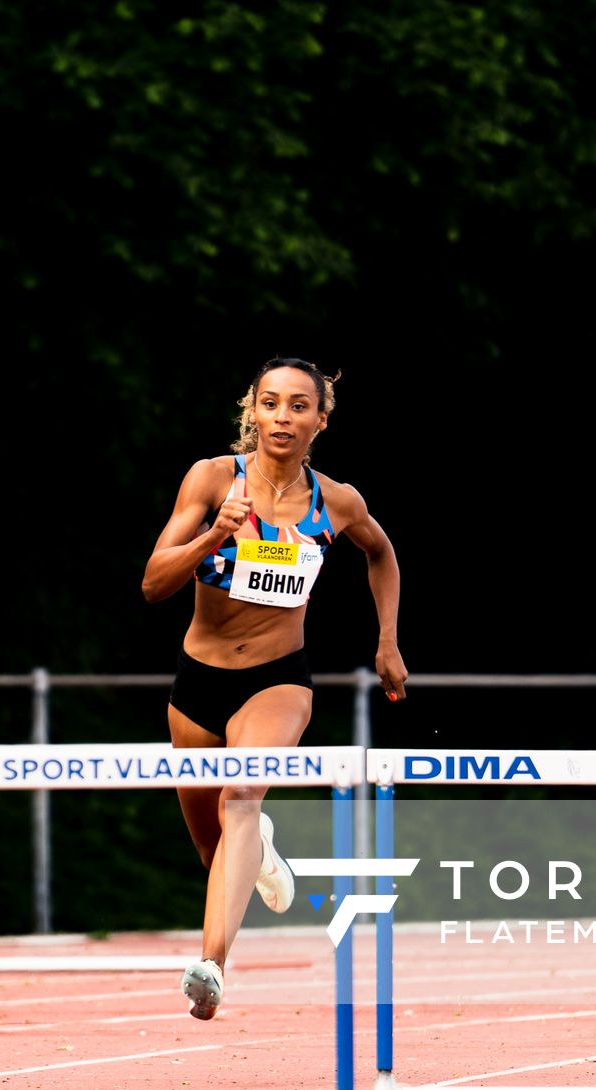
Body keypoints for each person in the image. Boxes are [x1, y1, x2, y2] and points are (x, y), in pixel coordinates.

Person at [142, 357, 407, 1019]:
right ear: (251, 412)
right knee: (215, 846)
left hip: (278, 679)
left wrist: (388, 639)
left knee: (242, 794)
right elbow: (152, 583)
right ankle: (258, 850)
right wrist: (215, 535)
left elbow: (381, 552)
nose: (282, 418)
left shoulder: (336, 501)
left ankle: (211, 968)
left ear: (320, 418)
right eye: (270, 404)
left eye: (297, 406)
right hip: (198, 682)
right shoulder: (211, 479)